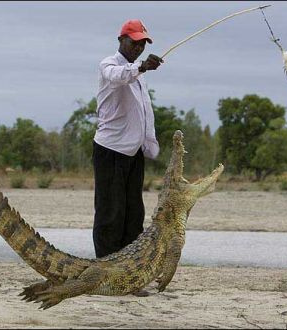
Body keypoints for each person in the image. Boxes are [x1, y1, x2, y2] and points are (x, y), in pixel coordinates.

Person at [92, 19, 163, 276]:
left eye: (142, 43)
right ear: (121, 40)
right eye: (134, 42)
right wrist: (142, 67)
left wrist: (150, 144)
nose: (138, 47)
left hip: (134, 152)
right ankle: (106, 273)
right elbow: (119, 77)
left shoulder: (139, 76)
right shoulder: (109, 65)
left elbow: (145, 112)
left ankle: (130, 272)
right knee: (111, 213)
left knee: (134, 215)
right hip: (110, 150)